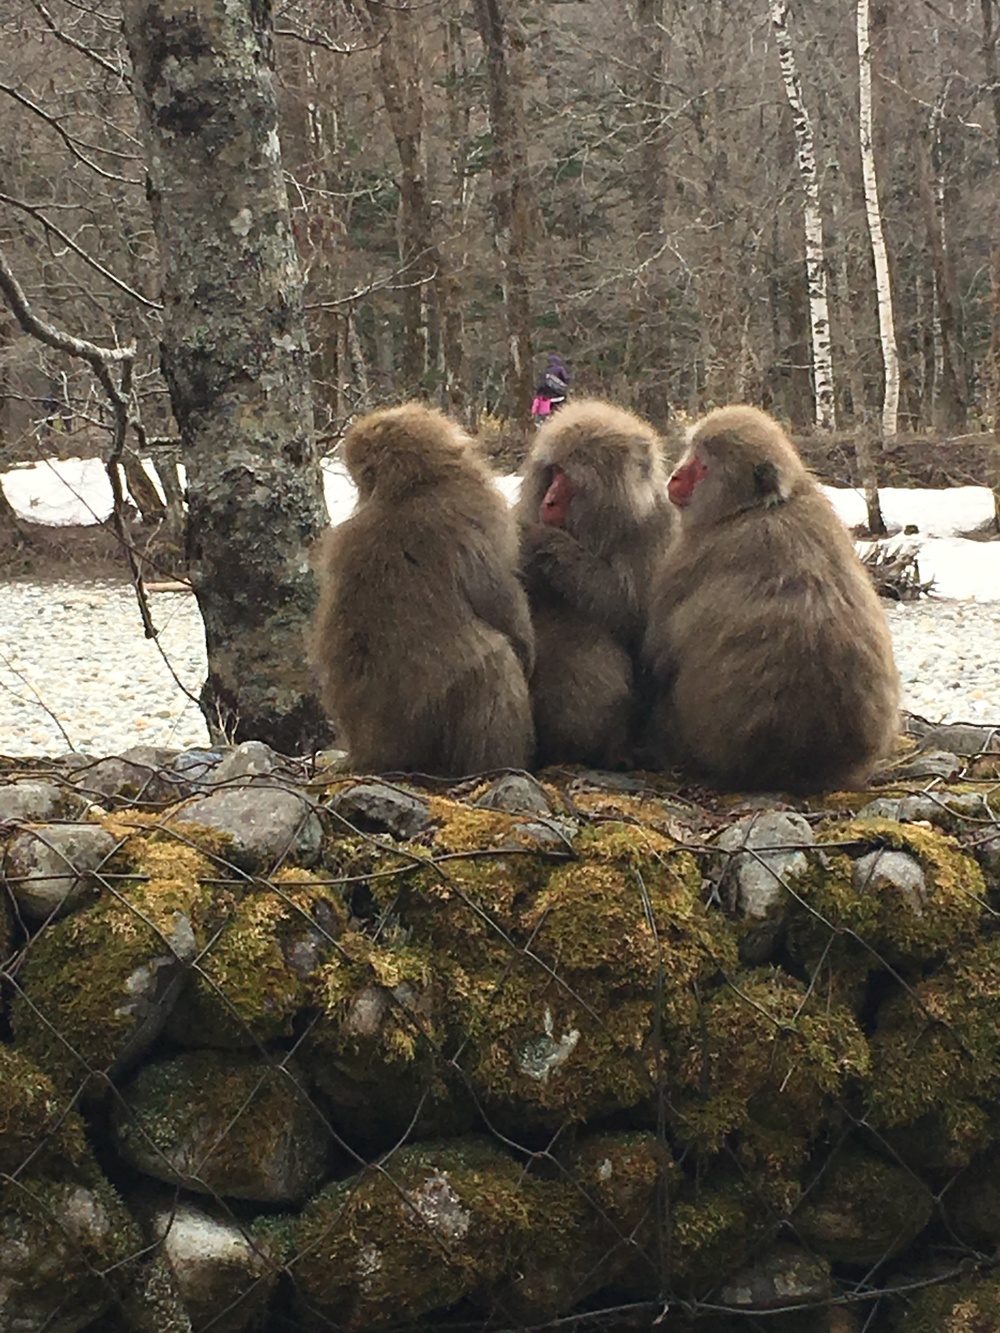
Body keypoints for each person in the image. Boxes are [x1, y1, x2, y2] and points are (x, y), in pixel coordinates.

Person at [531, 353, 570, 425]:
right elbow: (567, 378)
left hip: (547, 399)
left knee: (549, 416)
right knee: (561, 412)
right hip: (559, 396)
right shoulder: (560, 369)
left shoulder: (545, 372)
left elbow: (541, 386)